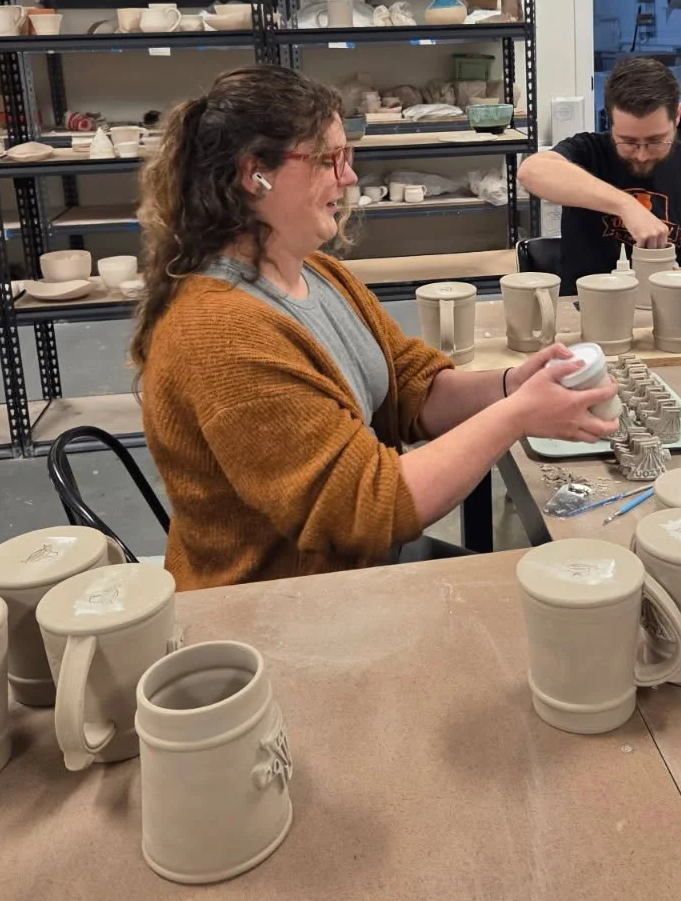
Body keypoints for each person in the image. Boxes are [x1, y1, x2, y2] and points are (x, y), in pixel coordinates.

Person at [131, 64, 618, 588]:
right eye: (328, 159)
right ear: (256, 174)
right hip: (276, 598)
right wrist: (516, 417)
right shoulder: (221, 333)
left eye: (348, 156)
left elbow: (411, 387)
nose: (349, 176)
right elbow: (367, 508)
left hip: (347, 567)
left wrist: (507, 387)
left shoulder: (315, 272)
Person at [520, 56, 681, 294]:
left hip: (660, 305)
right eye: (628, 142)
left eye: (656, 140)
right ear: (611, 122)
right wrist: (627, 206)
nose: (642, 155)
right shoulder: (588, 152)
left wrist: (669, 282)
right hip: (585, 306)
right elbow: (530, 171)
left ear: (677, 115)